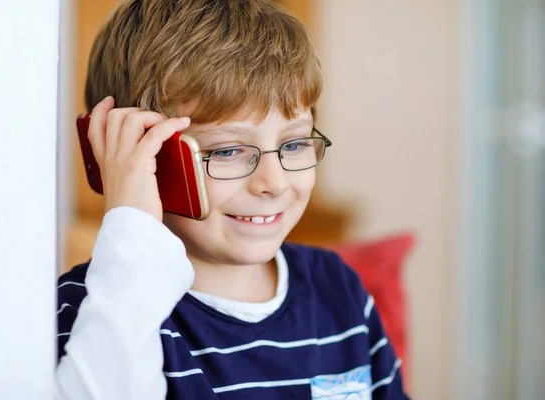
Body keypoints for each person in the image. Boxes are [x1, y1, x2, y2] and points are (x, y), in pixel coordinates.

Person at [55, 0, 409, 399]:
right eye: (226, 151)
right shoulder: (98, 309)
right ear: (142, 155)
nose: (273, 183)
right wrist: (132, 222)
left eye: (293, 143)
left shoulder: (338, 289)